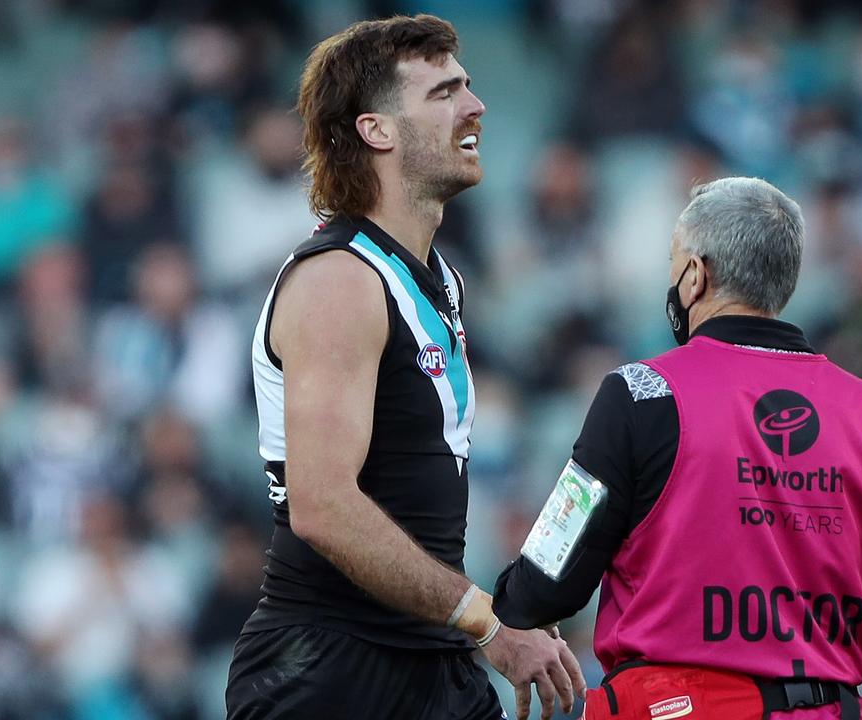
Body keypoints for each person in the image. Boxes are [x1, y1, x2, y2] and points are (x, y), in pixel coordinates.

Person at [493, 177, 862, 720]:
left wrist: (506, 606)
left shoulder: (641, 395)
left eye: (674, 264)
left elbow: (550, 578)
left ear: (696, 274)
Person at [225, 15, 585, 720]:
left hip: (427, 662)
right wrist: (488, 622)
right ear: (377, 131)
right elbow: (323, 508)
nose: (475, 107)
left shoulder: (440, 280)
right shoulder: (339, 279)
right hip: (327, 671)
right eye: (445, 92)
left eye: (469, 88)